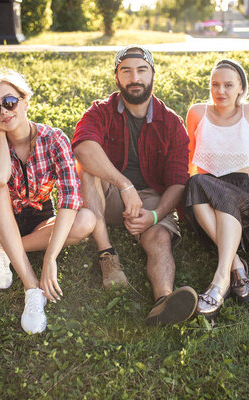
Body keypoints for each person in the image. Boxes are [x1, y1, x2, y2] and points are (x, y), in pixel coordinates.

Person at [72, 45, 198, 325]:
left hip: (151, 199)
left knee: (159, 238)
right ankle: (107, 255)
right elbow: (82, 148)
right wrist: (124, 184)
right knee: (88, 169)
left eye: (141, 70)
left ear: (152, 75)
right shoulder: (101, 111)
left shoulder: (172, 123)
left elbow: (178, 182)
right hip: (108, 195)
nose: (134, 77)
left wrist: (154, 215)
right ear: (117, 78)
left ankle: (163, 301)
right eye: (126, 71)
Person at [0, 70, 95, 335]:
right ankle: (31, 288)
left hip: (40, 217)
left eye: (10, 102)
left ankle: (5, 252)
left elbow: (70, 198)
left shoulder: (54, 139)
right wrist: (1, 136)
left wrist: (51, 257)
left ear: (25, 101)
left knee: (86, 220)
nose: (4, 111)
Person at [185, 60, 249, 318]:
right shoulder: (197, 113)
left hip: (241, 194)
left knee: (202, 186)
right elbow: (188, 155)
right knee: (195, 183)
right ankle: (237, 266)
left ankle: (221, 279)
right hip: (205, 195)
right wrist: (180, 190)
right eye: (215, 85)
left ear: (241, 87)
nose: (221, 91)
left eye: (228, 85)